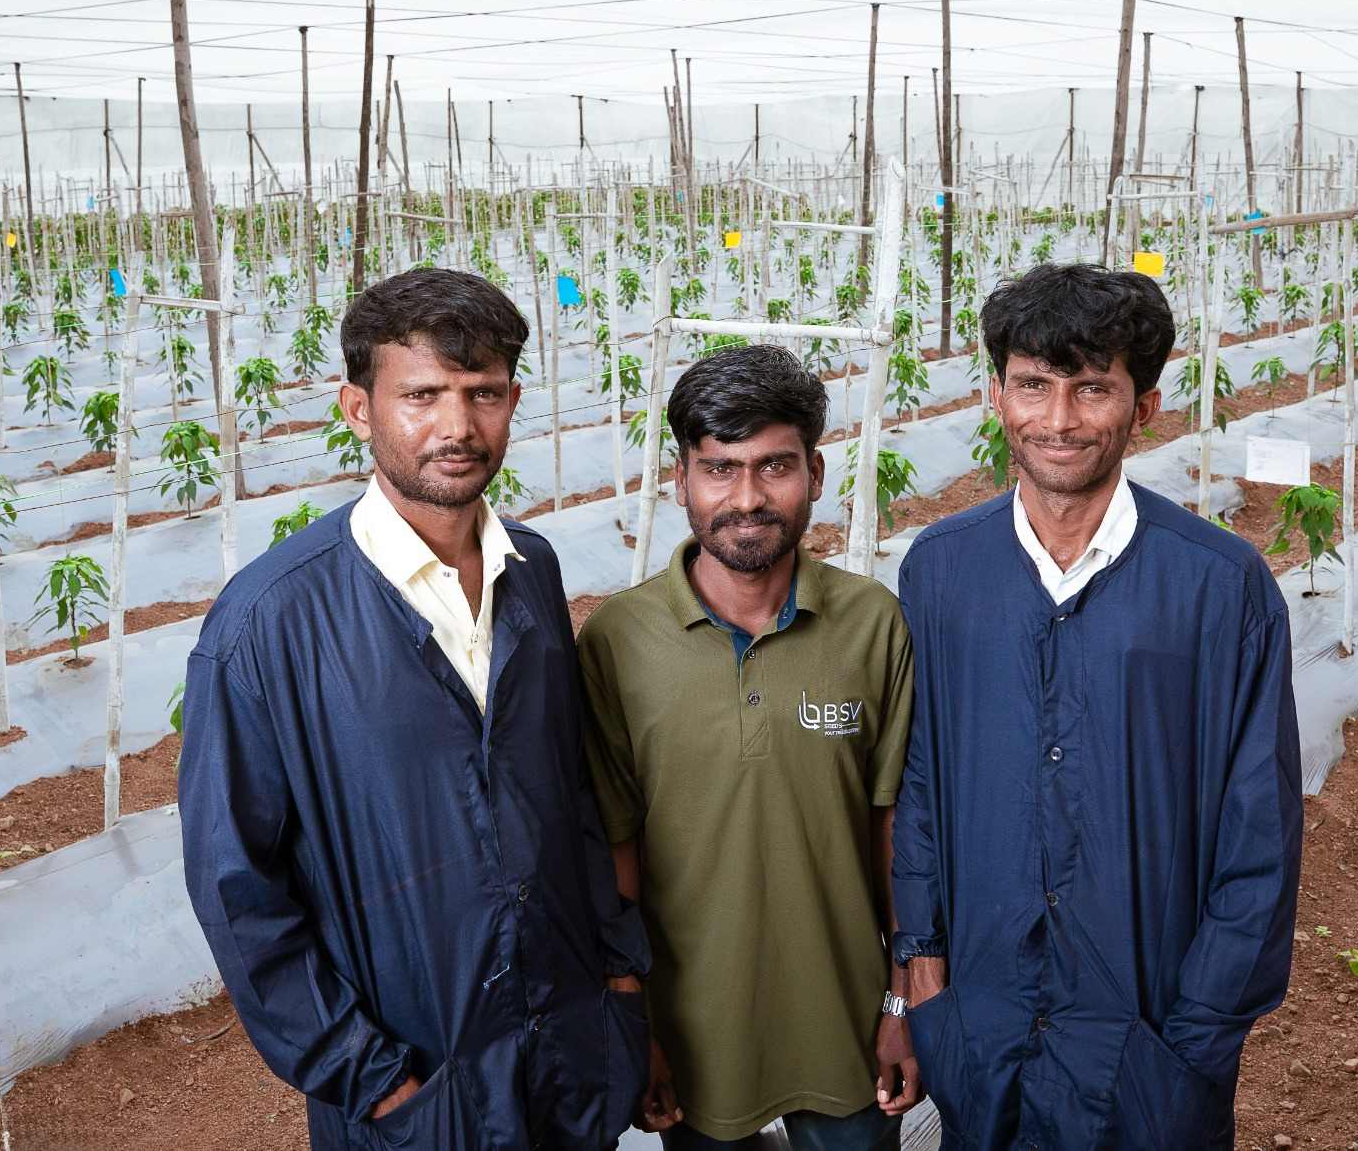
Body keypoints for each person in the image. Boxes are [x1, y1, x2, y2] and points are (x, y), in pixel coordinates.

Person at [179, 267, 650, 1150]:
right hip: (416, 1088)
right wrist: (370, 1075)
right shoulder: (270, 622)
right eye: (422, 394)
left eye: (484, 393)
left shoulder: (532, 571)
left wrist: (618, 976)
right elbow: (236, 883)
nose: (457, 427)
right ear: (358, 408)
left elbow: (570, 794)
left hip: (560, 1058)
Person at [890, 262, 1302, 1150]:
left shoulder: (1217, 584)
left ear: (1143, 407)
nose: (1059, 420)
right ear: (995, 394)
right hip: (983, 1026)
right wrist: (923, 973)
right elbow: (918, 780)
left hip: (1146, 1038)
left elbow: (1258, 832)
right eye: (1033, 385)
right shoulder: (941, 569)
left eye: (1092, 389)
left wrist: (1195, 1032)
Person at [577, 344, 920, 1151]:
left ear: (816, 474)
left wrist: (901, 1000)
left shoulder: (872, 623)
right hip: (692, 1030)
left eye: (774, 466)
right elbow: (616, 847)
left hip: (845, 1017)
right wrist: (635, 1020)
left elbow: (894, 831)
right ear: (680, 481)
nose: (746, 497)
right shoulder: (617, 641)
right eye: (719, 468)